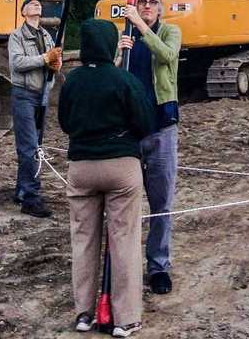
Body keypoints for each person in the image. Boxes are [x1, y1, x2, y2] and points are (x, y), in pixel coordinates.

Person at [58, 19, 156, 337]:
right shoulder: (123, 80)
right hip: (120, 167)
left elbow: (65, 122)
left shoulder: (72, 81)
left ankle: (84, 313)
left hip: (82, 167)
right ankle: (125, 318)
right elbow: (145, 122)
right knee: (124, 240)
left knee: (83, 240)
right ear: (111, 43)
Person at [118, 0, 182, 294]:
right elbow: (116, 77)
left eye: (151, 2)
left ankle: (158, 265)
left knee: (161, 202)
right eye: (141, 2)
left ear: (159, 7)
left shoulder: (170, 32)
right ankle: (126, 265)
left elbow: (167, 56)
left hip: (161, 128)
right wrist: (121, 53)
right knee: (125, 205)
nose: (145, 5)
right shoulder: (129, 37)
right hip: (131, 130)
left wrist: (142, 27)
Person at [8, 0, 62, 218]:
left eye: (38, 3)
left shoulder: (47, 36)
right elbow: (18, 63)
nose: (36, 5)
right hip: (23, 96)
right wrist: (45, 59)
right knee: (29, 147)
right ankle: (31, 198)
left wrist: (55, 64)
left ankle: (22, 189)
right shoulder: (17, 36)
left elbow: (53, 61)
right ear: (23, 12)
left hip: (41, 96)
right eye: (31, 3)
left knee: (34, 146)